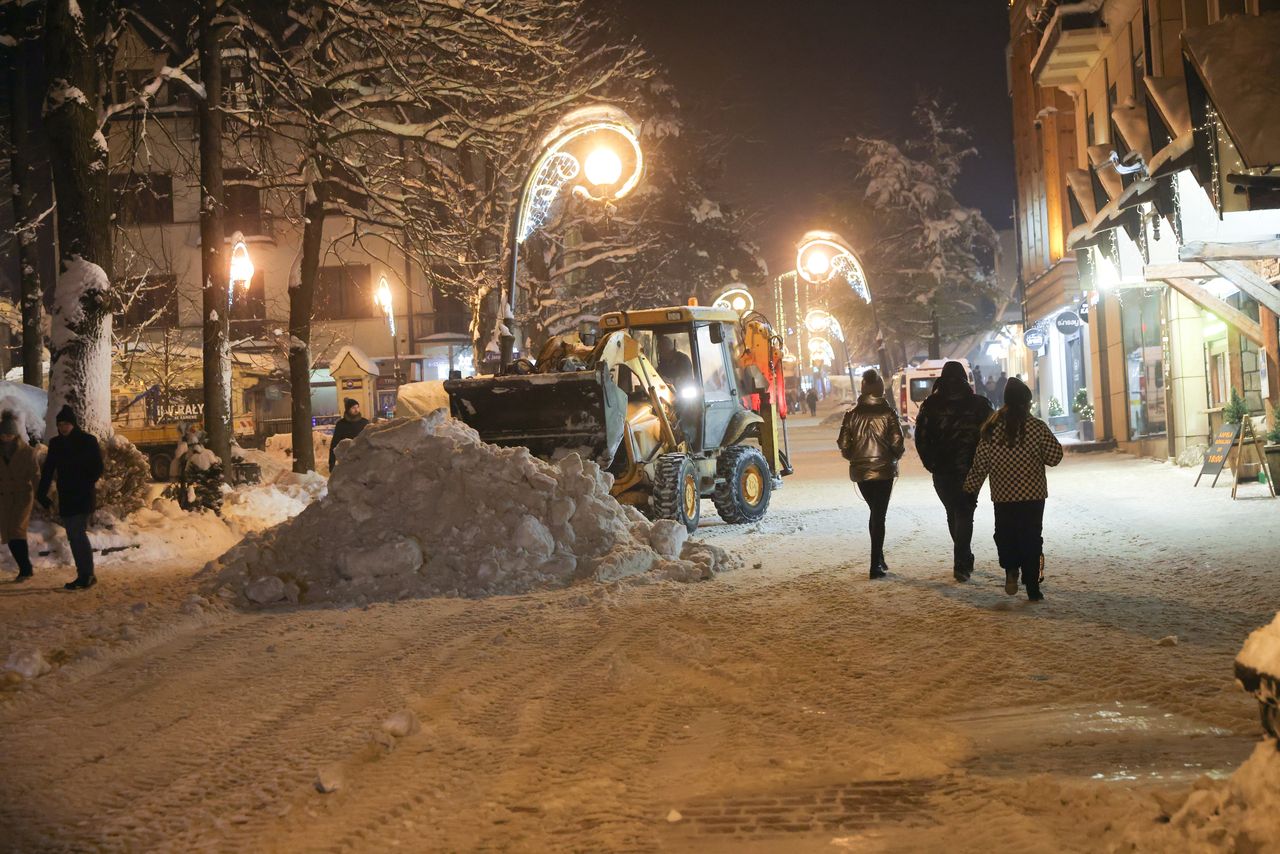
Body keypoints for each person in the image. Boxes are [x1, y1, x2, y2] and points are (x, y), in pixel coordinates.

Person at [963, 377, 1063, 602]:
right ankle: (1033, 586)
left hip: (1003, 496)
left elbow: (980, 466)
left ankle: (1010, 569)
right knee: (1032, 537)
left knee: (1006, 535)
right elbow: (1055, 456)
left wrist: (970, 490)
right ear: (1026, 402)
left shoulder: (991, 429)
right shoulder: (1036, 427)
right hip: (1033, 496)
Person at [914, 361, 993, 582]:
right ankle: (962, 560)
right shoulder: (979, 404)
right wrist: (983, 462)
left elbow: (920, 437)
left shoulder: (931, 405)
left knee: (953, 512)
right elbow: (992, 433)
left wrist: (930, 462)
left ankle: (963, 559)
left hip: (942, 469)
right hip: (971, 468)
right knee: (965, 512)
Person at [838, 370, 905, 579]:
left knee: (875, 513)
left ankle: (879, 557)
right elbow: (897, 443)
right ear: (880, 388)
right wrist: (893, 456)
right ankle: (875, 564)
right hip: (884, 471)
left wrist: (856, 458)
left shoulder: (852, 414)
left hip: (861, 473)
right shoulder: (888, 413)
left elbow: (844, 444)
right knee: (879, 515)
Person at [36, 405, 104, 590]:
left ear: (73, 424)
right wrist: (41, 493)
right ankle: (85, 574)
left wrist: (84, 481)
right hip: (66, 495)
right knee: (74, 535)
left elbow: (97, 467)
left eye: (66, 423)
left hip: (82, 495)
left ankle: (86, 575)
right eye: (60, 424)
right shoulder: (56, 443)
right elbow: (49, 469)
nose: (63, 427)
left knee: (76, 533)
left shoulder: (87, 441)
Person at [0, 413, 39, 582]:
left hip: (22, 496)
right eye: (3, 435)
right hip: (4, 497)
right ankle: (25, 568)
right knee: (8, 532)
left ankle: (25, 569)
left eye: (9, 434)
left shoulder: (27, 452)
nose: (5, 438)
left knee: (17, 530)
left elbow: (36, 475)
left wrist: (42, 496)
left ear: (15, 434)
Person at [329, 398, 370, 472]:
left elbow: (371, 440)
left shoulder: (365, 423)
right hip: (346, 460)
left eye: (357, 407)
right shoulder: (341, 424)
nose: (356, 410)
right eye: (353, 408)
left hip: (363, 460)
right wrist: (331, 463)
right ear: (348, 409)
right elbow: (334, 444)